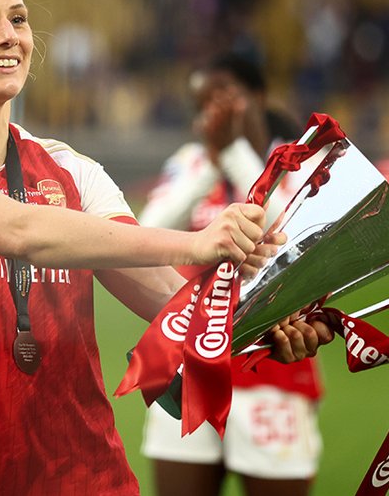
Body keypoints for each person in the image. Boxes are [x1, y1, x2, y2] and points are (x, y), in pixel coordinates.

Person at [0, 0, 333, 496]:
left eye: (18, 19)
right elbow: (22, 231)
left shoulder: (72, 169)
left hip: (85, 474)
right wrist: (198, 243)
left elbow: (162, 293)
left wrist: (259, 324)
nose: (9, 36)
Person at [138, 54, 324, 496]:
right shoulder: (190, 162)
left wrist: (238, 156)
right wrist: (213, 163)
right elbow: (144, 235)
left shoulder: (305, 161)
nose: (213, 112)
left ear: (256, 97)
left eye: (225, 97)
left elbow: (307, 244)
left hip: (273, 371)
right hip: (188, 367)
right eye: (203, 103)